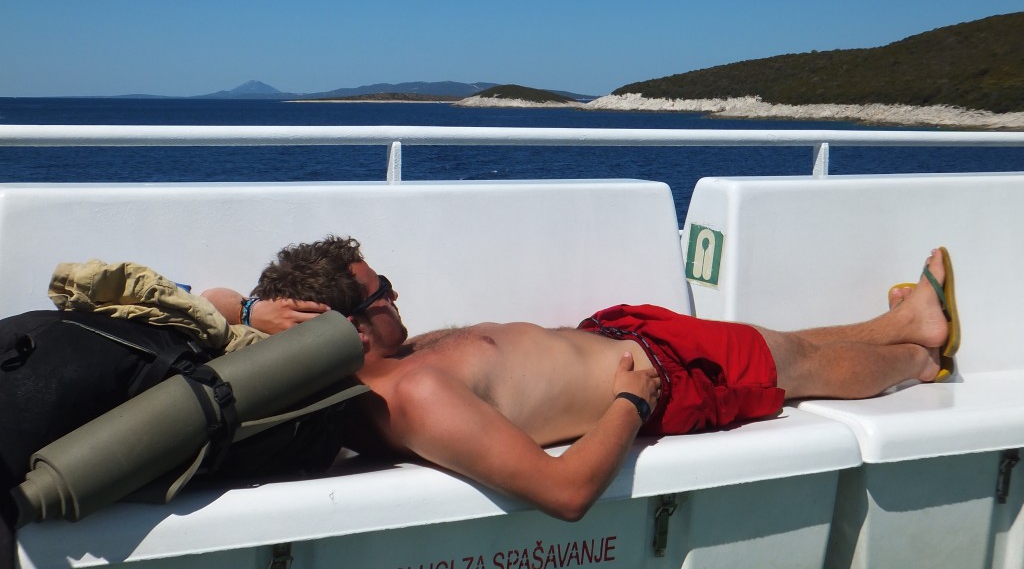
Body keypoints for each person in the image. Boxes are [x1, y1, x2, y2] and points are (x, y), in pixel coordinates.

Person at [202, 236, 957, 522]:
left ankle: (898, 321)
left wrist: (257, 308)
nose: (397, 294)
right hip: (656, 380)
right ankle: (919, 354)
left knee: (778, 343)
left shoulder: (389, 362)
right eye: (382, 293)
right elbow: (564, 494)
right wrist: (632, 401)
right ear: (350, 326)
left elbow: (213, 300)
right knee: (798, 368)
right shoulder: (414, 398)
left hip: (620, 338)